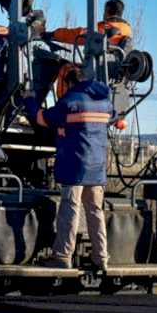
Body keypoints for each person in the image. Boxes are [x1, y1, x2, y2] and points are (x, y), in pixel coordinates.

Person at [36, 67, 114, 270]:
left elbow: (43, 119)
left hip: (76, 166)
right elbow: (113, 118)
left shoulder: (70, 101)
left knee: (70, 209)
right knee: (95, 211)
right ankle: (101, 257)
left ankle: (62, 256)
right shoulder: (104, 102)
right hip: (97, 167)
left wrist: (28, 100)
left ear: (69, 82)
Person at [50, 0, 132, 48]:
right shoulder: (127, 30)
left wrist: (53, 34)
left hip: (96, 70)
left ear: (107, 11)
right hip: (113, 71)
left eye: (104, 11)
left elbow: (77, 35)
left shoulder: (104, 29)